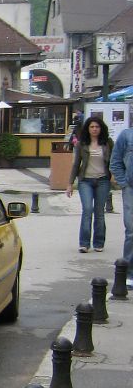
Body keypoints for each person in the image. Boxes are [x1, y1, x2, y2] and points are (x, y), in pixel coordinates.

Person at [66, 117, 113, 253]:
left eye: (97, 127)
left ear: (101, 128)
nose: (94, 129)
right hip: (85, 181)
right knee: (87, 209)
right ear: (87, 128)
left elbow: (114, 161)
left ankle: (99, 242)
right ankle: (84, 243)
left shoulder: (108, 143)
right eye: (92, 127)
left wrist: (115, 176)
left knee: (99, 212)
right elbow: (76, 165)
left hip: (103, 180)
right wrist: (70, 184)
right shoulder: (82, 144)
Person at [110, 125, 133, 273]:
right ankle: (129, 272)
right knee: (132, 231)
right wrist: (124, 183)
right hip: (131, 188)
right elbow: (115, 161)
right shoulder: (126, 136)